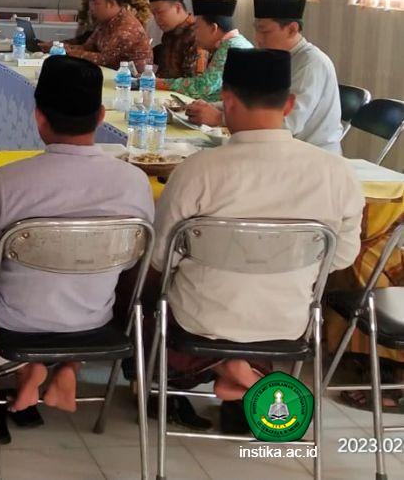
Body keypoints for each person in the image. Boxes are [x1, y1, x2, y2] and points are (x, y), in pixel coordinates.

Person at [153, 49, 361, 408]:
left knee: (143, 287)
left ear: (228, 101)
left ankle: (213, 372)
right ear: (289, 104)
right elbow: (340, 258)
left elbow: (160, 257)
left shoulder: (197, 170)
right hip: (286, 320)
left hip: (200, 319)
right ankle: (243, 374)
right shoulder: (337, 173)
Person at [0, 56, 154, 416]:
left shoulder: (10, 180)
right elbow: (132, 262)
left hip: (15, 323)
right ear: (101, 117)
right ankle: (67, 366)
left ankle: (30, 368)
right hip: (94, 322)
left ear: (38, 117)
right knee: (83, 284)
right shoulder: (133, 181)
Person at [186, 0, 342, 154]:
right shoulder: (274, 57)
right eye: (257, 30)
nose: (257, 39)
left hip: (311, 155)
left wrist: (220, 118)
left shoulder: (311, 63)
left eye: (264, 31)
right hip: (278, 149)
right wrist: (213, 107)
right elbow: (252, 101)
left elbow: (287, 124)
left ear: (292, 29)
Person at [156, 0, 252, 102]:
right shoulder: (235, 43)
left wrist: (161, 83)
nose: (194, 33)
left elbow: (203, 87)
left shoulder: (230, 47)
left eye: (197, 27)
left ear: (213, 28)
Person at [57, 0, 153, 73]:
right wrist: (58, 47)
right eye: (91, 1)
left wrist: (66, 52)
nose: (91, 7)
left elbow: (105, 60)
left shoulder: (126, 29)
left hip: (130, 80)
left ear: (111, 4)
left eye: (95, 2)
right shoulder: (105, 21)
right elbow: (88, 47)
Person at [148, 0, 204, 80]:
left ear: (178, 8)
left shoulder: (196, 36)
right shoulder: (169, 33)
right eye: (154, 14)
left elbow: (192, 82)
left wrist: (159, 83)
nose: (157, 19)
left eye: (160, 12)